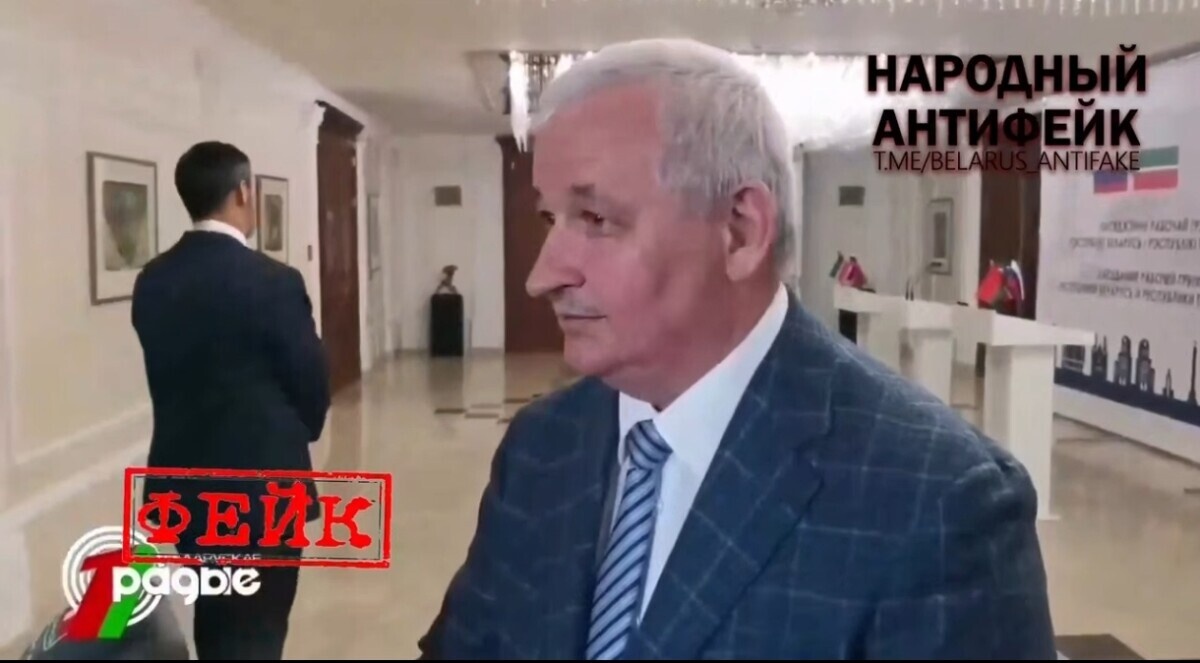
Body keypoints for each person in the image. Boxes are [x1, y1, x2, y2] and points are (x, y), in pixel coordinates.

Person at [418, 39, 1057, 660]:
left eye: (596, 220)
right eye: (549, 219)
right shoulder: (541, 446)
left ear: (741, 231)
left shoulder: (940, 501)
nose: (542, 275)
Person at [131, 141, 330, 660]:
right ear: (243, 192)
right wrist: (299, 431)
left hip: (185, 490)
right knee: (258, 627)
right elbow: (311, 384)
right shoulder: (274, 281)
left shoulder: (152, 280)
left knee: (216, 613)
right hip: (263, 492)